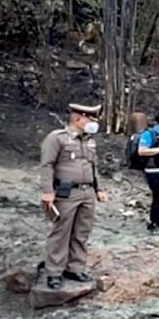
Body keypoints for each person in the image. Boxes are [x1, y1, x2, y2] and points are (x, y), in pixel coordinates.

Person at [39, 103, 108, 290]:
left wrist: (98, 189)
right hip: (66, 192)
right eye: (91, 119)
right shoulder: (57, 138)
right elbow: (47, 165)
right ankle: (54, 272)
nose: (94, 123)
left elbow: (93, 167)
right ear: (79, 118)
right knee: (61, 232)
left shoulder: (89, 141)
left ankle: (75, 267)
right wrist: (48, 191)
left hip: (87, 192)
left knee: (82, 232)